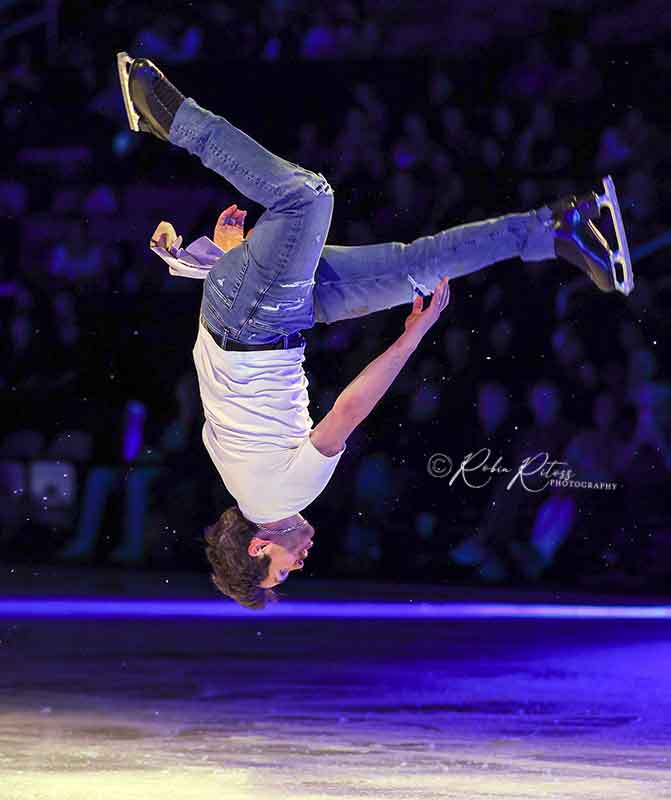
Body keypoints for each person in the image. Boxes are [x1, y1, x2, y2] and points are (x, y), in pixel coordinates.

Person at [117, 52, 630, 609]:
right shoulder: (238, 479)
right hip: (270, 315)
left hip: (260, 315)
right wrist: (232, 261)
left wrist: (412, 336)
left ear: (260, 546)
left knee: (309, 197)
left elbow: (348, 410)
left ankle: (170, 118)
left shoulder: (287, 494)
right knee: (416, 268)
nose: (300, 563)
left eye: (282, 571)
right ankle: (555, 231)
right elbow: (218, 362)